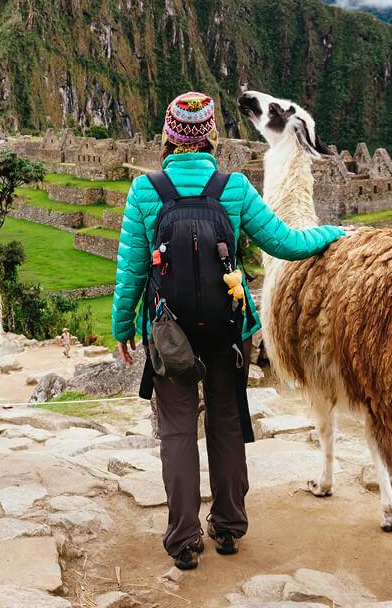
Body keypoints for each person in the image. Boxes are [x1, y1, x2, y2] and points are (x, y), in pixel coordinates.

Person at [111, 91, 348, 571]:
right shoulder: (234, 188)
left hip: (168, 334)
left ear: (169, 135)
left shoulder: (145, 191)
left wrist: (121, 326)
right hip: (227, 332)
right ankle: (229, 528)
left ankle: (182, 540)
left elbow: (132, 271)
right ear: (211, 135)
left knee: (177, 432)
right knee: (225, 424)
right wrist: (334, 233)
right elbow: (286, 242)